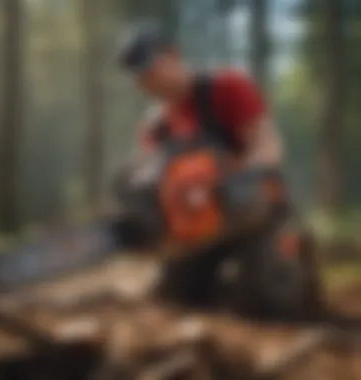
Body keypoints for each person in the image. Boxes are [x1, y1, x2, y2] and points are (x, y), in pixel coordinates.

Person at [116, 23, 321, 321]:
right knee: (174, 297)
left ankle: (294, 258)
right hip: (199, 230)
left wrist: (231, 180)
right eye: (139, 77)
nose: (147, 82)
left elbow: (269, 146)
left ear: (172, 56)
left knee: (270, 298)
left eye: (151, 70)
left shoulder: (226, 87)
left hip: (257, 217)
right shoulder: (155, 127)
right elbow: (155, 189)